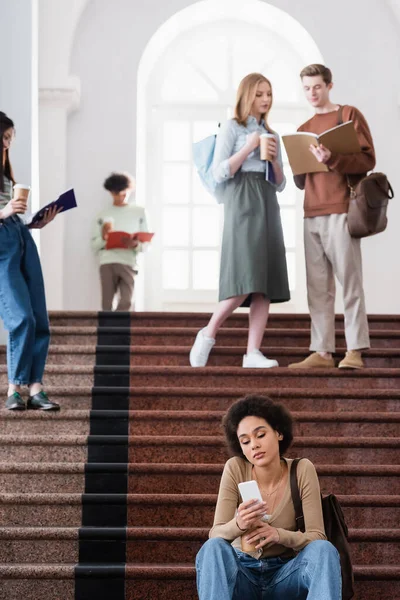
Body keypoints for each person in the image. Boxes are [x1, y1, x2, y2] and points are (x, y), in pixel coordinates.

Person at [196, 394, 341, 599]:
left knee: (323, 550)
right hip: (241, 573)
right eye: (245, 441)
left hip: (285, 575)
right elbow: (215, 533)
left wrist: (278, 535)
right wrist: (239, 523)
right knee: (213, 548)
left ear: (279, 433)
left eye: (260, 435)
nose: (253, 445)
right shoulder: (235, 468)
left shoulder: (301, 470)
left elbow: (318, 536)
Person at [190, 73, 290, 369]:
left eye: (269, 94)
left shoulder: (273, 133)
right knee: (245, 276)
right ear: (247, 95)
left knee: (265, 282)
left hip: (267, 199)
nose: (266, 99)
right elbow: (219, 172)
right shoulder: (232, 127)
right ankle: (207, 334)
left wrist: (271, 158)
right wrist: (248, 148)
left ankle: (253, 353)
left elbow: (281, 184)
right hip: (240, 197)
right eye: (260, 94)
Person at [289, 64, 375, 370]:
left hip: (341, 208)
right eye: (307, 88)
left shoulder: (348, 115)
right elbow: (302, 181)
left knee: (350, 282)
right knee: (318, 287)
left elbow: (367, 159)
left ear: (329, 86)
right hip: (310, 211)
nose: (312, 93)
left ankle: (354, 350)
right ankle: (323, 352)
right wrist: (298, 162)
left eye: (317, 87)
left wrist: (332, 157)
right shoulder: (303, 128)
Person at [0, 111, 60, 411]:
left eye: (10, 139)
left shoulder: (6, 174)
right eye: (5, 137)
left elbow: (12, 217)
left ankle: (36, 388)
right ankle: (14, 387)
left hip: (21, 239)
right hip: (2, 250)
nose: (8, 144)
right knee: (21, 317)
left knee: (39, 317)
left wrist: (33, 223)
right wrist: (4, 212)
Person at [91, 172, 148, 311]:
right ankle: (107, 332)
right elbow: (94, 245)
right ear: (110, 192)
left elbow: (145, 245)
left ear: (129, 190)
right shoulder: (102, 215)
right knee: (107, 304)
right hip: (107, 262)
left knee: (127, 302)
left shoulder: (139, 212)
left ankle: (118, 330)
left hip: (128, 263)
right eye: (117, 193)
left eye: (124, 193)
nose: (121, 196)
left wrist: (135, 244)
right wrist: (106, 239)